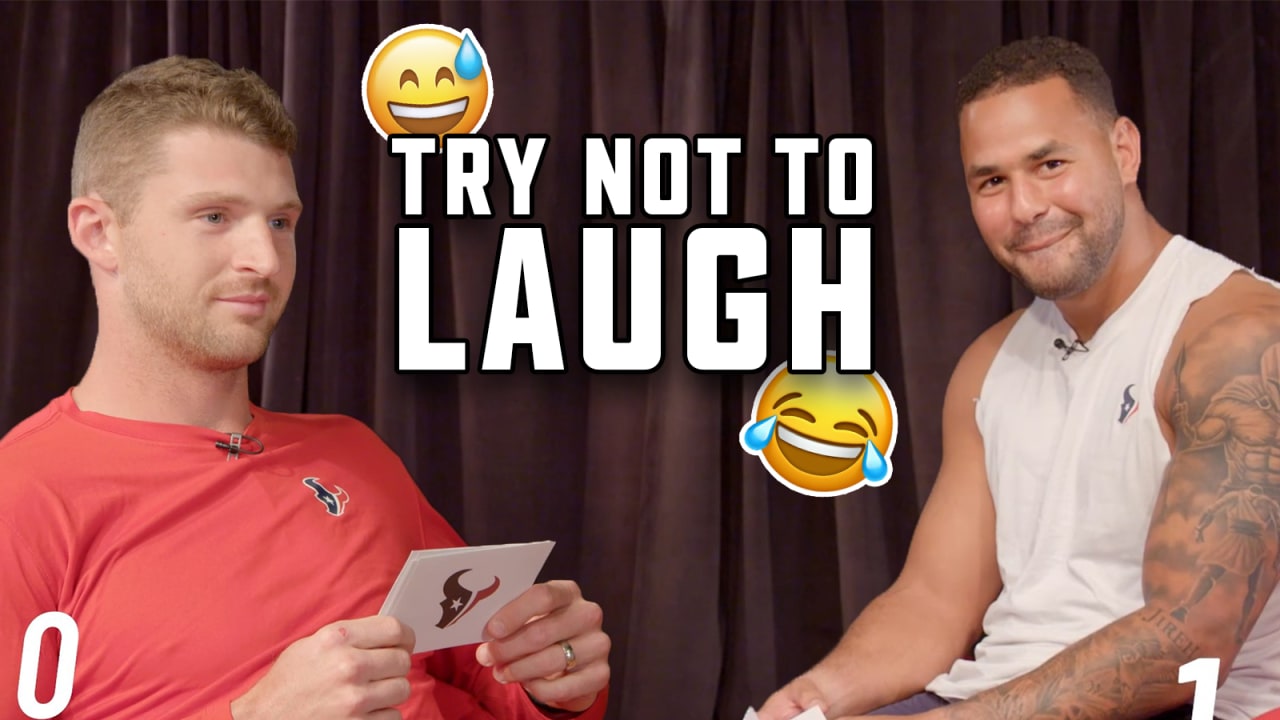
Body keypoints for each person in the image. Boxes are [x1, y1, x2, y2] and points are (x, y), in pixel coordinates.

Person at [0, 56, 610, 719]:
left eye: (280, 222)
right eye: (214, 217)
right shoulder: (25, 497)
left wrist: (560, 679)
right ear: (100, 233)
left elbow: (506, 688)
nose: (263, 260)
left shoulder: (354, 456)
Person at [758, 36, 1280, 720]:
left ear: (1124, 150)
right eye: (992, 181)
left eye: (1051, 163)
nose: (1026, 206)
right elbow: (934, 601)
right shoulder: (991, 363)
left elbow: (1190, 640)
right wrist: (815, 698)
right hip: (987, 700)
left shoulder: (1241, 334)